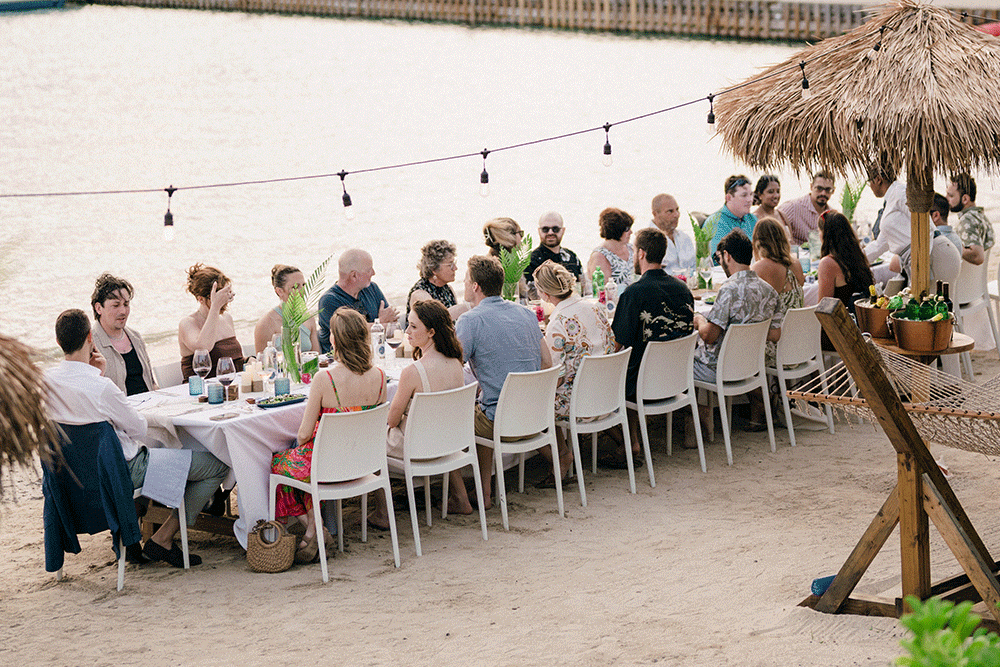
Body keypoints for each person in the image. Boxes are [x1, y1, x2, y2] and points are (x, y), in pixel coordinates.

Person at [46, 309, 229, 568]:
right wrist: (99, 377)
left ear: (58, 342)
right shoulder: (101, 387)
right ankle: (163, 538)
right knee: (217, 466)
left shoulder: (44, 382)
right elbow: (138, 428)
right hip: (119, 474)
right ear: (90, 338)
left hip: (70, 478)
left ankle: (137, 537)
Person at [270, 307, 387, 562]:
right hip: (365, 464)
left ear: (334, 339)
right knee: (302, 460)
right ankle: (317, 527)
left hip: (327, 468)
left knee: (280, 462)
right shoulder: (379, 376)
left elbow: (302, 436)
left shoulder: (326, 379)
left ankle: (315, 527)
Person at [455, 255, 552, 508]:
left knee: (459, 417)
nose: (463, 285)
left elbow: (453, 368)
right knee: (486, 405)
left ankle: (464, 495)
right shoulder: (526, 314)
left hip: (499, 421)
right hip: (534, 416)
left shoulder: (470, 320)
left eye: (465, 280)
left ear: (475, 285)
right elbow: (547, 363)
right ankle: (483, 492)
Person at [370, 300, 473, 527]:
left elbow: (391, 420)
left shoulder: (412, 372)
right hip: (448, 442)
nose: (407, 331)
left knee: (368, 439)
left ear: (431, 332)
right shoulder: (456, 361)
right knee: (435, 425)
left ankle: (382, 512)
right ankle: (461, 497)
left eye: (414, 327)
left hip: (418, 447)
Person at [611, 228, 694, 462]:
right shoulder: (683, 289)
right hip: (677, 380)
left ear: (641, 254)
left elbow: (618, 343)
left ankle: (631, 442)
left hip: (641, 385)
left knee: (618, 370)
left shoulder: (634, 293)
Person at [534, 260, 614, 485]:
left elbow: (553, 376)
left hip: (581, 406)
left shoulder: (559, 322)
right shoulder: (596, 306)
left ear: (545, 294)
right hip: (608, 398)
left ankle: (561, 456)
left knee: (535, 399)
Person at [693, 229, 781, 389]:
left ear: (727, 255)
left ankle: (699, 411)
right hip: (752, 365)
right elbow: (775, 335)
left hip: (719, 369)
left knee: (680, 363)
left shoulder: (729, 290)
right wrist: (749, 329)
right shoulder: (769, 290)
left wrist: (699, 319)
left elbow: (709, 336)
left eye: (718, 258)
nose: (720, 262)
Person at [317, 249, 399, 354]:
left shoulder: (372, 288)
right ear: (354, 276)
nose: (373, 273)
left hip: (374, 355)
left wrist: (375, 326)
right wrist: (380, 322)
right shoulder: (329, 301)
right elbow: (351, 338)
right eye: (369, 270)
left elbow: (393, 326)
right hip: (341, 361)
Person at [90, 273, 156, 396]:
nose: (123, 311)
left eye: (126, 304)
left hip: (150, 407)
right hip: (118, 412)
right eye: (116, 305)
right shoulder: (90, 343)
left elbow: (152, 383)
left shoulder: (136, 337)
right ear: (98, 308)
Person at [817, 211, 874, 350]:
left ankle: (814, 371)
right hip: (863, 328)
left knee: (800, 334)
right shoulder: (858, 257)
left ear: (825, 234)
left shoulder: (828, 263)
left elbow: (823, 308)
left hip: (842, 334)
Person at [751, 217, 804, 368]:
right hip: (800, 346)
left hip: (779, 349)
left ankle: (759, 391)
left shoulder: (760, 268)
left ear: (758, 242)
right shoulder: (796, 264)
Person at [178, 264, 244, 380]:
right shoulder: (187, 323)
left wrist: (248, 360)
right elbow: (203, 348)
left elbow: (233, 359)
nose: (224, 299)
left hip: (232, 387)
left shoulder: (226, 318)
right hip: (201, 391)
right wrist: (215, 306)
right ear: (201, 299)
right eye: (219, 295)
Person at [254, 264, 320, 355]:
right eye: (295, 287)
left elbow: (317, 357)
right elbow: (263, 363)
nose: (303, 291)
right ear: (280, 291)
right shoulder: (266, 324)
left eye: (304, 285)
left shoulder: (309, 318)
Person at [864, 161, 923, 262]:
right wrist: (854, 261)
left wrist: (920, 259)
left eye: (870, 182)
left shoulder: (900, 194)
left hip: (927, 256)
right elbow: (879, 245)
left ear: (878, 179)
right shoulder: (892, 198)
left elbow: (922, 223)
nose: (870, 186)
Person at [406, 239, 466, 321]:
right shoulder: (420, 293)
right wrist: (467, 306)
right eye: (450, 265)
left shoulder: (448, 289)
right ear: (434, 269)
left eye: (454, 263)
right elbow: (438, 319)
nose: (455, 268)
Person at [776, 171, 836, 246]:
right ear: (811, 187)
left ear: (833, 191)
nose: (823, 193)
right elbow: (773, 224)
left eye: (828, 190)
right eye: (819, 188)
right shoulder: (793, 207)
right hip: (796, 255)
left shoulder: (832, 214)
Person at [948, 173, 994, 266]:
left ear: (965, 199)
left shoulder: (967, 220)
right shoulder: (981, 216)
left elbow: (978, 257)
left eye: (951, 196)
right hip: (978, 279)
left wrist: (953, 245)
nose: (946, 198)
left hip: (964, 280)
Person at [524, 212, 583, 283]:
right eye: (545, 229)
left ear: (563, 230)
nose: (550, 233)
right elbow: (529, 291)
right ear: (539, 231)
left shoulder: (571, 257)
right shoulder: (531, 261)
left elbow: (583, 286)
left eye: (555, 229)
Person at [707, 175, 756, 259]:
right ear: (728, 198)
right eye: (744, 195)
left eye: (751, 194)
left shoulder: (753, 219)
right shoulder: (715, 223)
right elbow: (717, 258)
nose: (750, 200)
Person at [587, 207, 636, 292]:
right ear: (617, 230)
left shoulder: (632, 249)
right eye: (627, 229)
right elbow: (602, 291)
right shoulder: (600, 256)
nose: (631, 232)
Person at [648, 194, 696, 276]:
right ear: (655, 214)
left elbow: (696, 267)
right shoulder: (647, 240)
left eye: (677, 210)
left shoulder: (684, 238)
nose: (676, 215)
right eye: (670, 211)